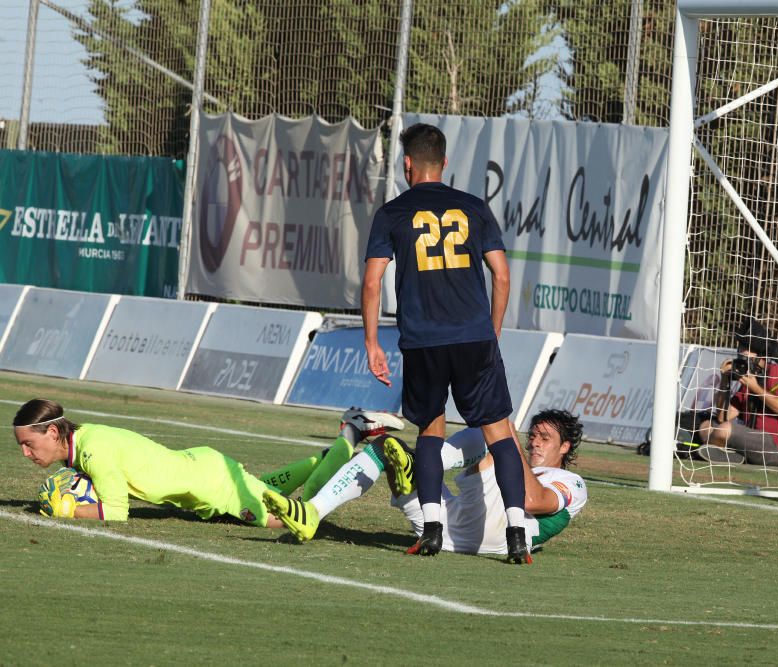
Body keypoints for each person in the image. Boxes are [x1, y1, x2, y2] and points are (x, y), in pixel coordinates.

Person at [361, 122, 529, 562]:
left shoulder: (393, 213)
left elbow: (373, 282)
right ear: (445, 163)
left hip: (423, 342)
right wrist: (491, 331)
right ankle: (516, 533)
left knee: (431, 433)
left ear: (408, 163)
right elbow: (503, 274)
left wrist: (372, 342)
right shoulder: (473, 208)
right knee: (500, 435)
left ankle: (433, 529)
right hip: (474, 336)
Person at [13, 398, 402, 525]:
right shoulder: (87, 441)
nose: (26, 454)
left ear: (52, 433)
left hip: (214, 486)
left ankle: (357, 440)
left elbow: (116, 512)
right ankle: (345, 438)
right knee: (272, 487)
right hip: (205, 466)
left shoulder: (94, 451)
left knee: (302, 512)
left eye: (29, 444)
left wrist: (67, 510)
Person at [264, 409, 588, 561]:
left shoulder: (571, 483)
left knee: (487, 434)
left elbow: (531, 501)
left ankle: (424, 463)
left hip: (499, 534)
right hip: (445, 531)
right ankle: (313, 513)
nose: (534, 444)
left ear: (565, 448)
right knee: (383, 449)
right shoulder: (517, 459)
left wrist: (508, 439)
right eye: (532, 437)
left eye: (545, 439)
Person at [696, 316, 778, 467]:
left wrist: (755, 388)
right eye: (741, 352)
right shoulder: (747, 381)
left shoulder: (777, 372)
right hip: (755, 442)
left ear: (761, 356)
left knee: (725, 430)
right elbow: (722, 416)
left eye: (748, 353)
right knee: (706, 426)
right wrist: (724, 380)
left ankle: (726, 452)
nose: (743, 355)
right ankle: (730, 455)